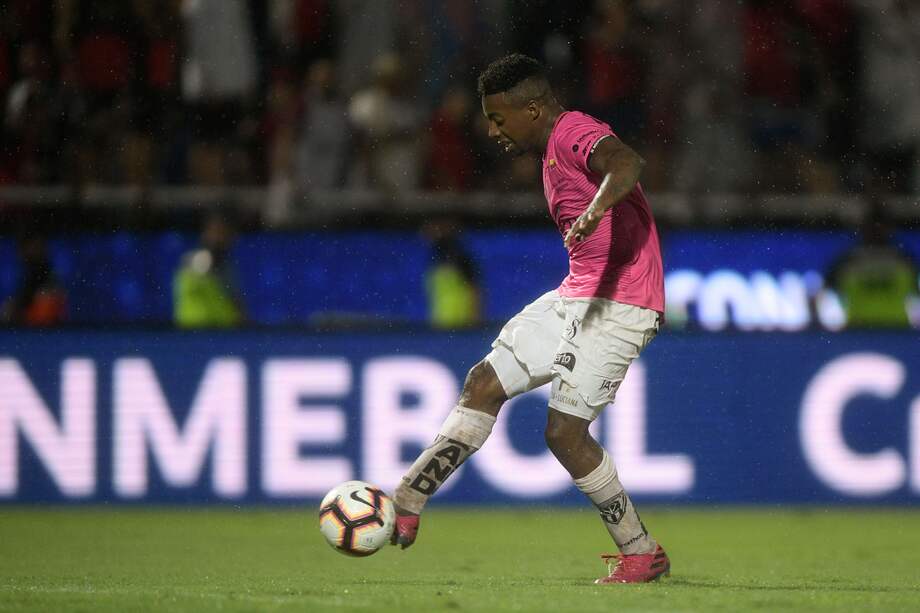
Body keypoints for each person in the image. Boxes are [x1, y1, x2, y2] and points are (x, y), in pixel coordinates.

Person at [390, 54, 669, 584]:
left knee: (564, 433)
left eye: (498, 118)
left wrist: (593, 212)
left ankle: (640, 551)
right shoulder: (549, 150)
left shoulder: (572, 133)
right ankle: (408, 496)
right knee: (483, 383)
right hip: (579, 294)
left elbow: (627, 162)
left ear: (534, 109)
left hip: (622, 301)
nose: (491, 129)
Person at [173, 211, 246, 328]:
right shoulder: (195, 260)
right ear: (206, 234)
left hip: (223, 329)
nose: (220, 238)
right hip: (195, 328)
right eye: (216, 232)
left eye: (224, 234)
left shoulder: (227, 265)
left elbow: (234, 298)